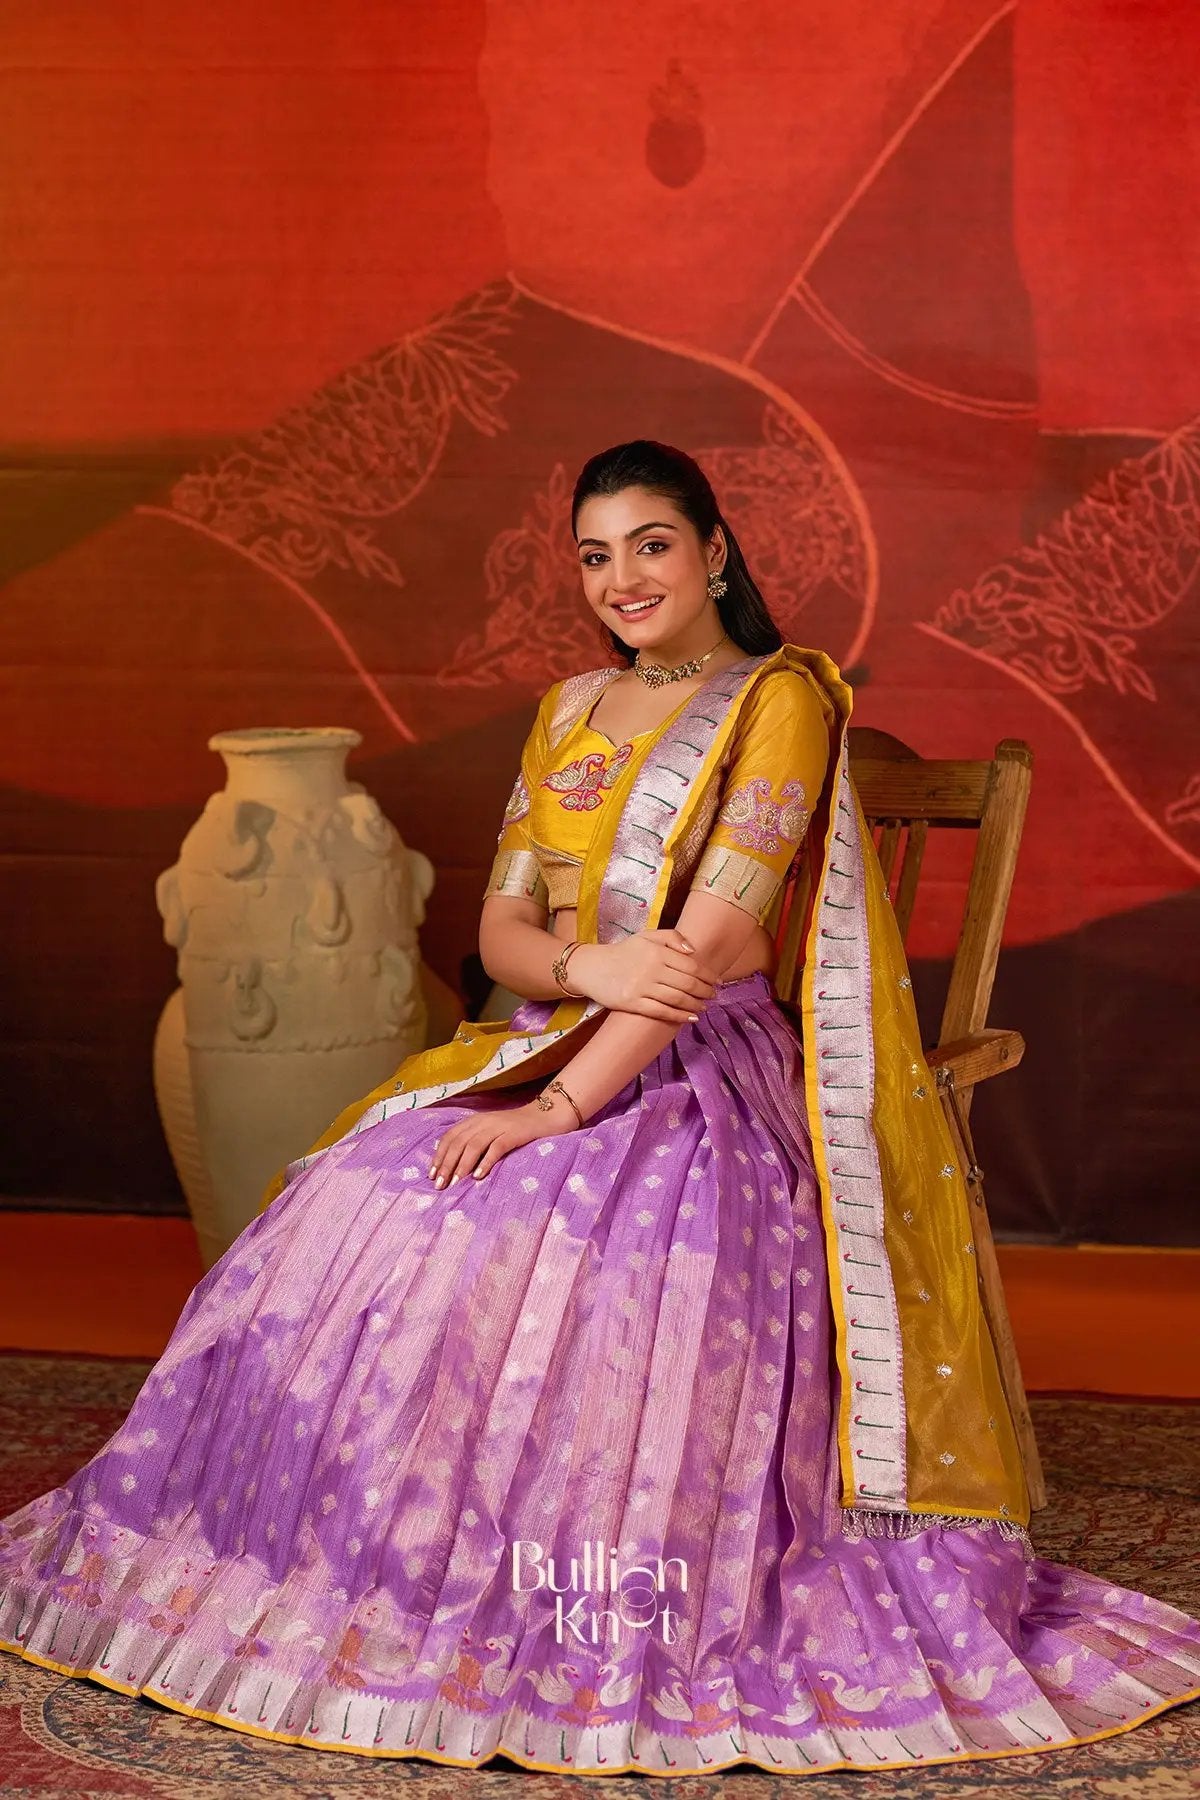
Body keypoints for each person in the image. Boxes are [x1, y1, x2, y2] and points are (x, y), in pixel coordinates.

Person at [1, 441, 1197, 1778]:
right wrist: (586, 971)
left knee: (551, 1232)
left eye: (651, 544)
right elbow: (501, 928)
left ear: (715, 553)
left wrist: (557, 1108)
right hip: (556, 1026)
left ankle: (538, 1589)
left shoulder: (779, 701)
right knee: (356, 1193)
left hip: (701, 1067)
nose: (621, 578)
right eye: (594, 554)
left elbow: (711, 947)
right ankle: (361, 1578)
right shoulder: (570, 706)